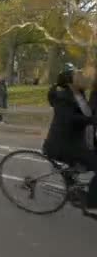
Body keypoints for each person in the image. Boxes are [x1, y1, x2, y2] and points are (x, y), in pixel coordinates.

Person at [43, 66, 97, 215]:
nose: (83, 77)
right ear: (70, 82)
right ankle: (92, 205)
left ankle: (72, 184)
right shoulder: (63, 98)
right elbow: (70, 120)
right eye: (78, 75)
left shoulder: (80, 94)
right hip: (62, 145)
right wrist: (91, 120)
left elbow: (88, 113)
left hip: (78, 142)